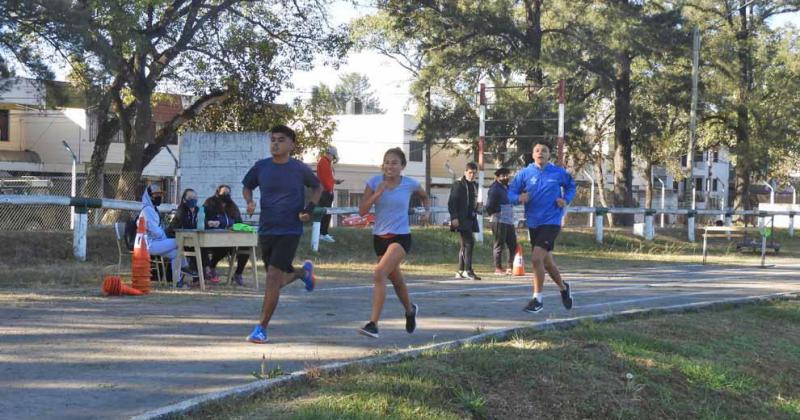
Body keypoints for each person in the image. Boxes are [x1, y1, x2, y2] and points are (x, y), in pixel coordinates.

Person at [243, 125, 321, 344]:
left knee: (271, 279)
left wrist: (309, 209)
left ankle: (261, 328)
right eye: (273, 140)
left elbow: (318, 187)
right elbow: (247, 186)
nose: (275, 143)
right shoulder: (261, 167)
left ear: (291, 144)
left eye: (281, 140)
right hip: (267, 229)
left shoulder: (299, 168)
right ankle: (302, 274)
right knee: (275, 280)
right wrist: (249, 201)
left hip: (290, 229)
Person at [357, 147, 429, 338]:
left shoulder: (410, 184)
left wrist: (426, 211)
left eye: (394, 162)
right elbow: (362, 211)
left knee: (379, 273)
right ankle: (410, 310)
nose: (390, 166)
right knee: (396, 280)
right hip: (379, 238)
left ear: (402, 166)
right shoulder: (373, 182)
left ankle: (373, 324)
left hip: (400, 237)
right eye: (387, 162)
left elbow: (424, 196)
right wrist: (376, 195)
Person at [507, 142, 576, 313]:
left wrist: (565, 199)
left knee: (536, 258)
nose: (540, 153)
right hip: (533, 222)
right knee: (547, 262)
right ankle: (563, 287)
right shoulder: (524, 173)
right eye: (537, 150)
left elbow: (571, 186)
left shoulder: (557, 172)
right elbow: (510, 192)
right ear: (532, 154)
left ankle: (537, 299)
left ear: (548, 155)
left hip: (552, 221)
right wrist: (518, 197)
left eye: (544, 151)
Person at [138, 184, 195, 283]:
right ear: (149, 196)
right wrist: (164, 236)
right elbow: (155, 230)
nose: (158, 197)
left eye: (160, 194)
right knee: (179, 241)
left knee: (176, 254)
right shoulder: (147, 210)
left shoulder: (153, 209)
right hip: (150, 244)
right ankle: (185, 267)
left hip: (157, 242)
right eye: (156, 195)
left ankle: (177, 282)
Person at [201, 184, 250, 286]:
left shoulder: (232, 206)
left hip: (231, 238)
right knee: (223, 246)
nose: (226, 195)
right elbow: (204, 219)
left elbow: (238, 222)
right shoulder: (210, 202)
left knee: (246, 246)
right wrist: (213, 223)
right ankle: (211, 266)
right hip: (213, 238)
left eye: (228, 193)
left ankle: (238, 273)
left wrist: (230, 224)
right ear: (218, 192)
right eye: (224, 193)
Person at [449, 162, 481, 280]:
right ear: (465, 172)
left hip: (470, 218)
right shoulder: (459, 185)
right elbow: (452, 202)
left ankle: (460, 270)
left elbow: (475, 202)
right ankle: (468, 270)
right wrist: (454, 217)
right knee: (469, 242)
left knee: (464, 245)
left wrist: (478, 209)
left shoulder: (475, 186)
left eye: (474, 173)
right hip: (460, 218)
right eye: (470, 172)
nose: (472, 175)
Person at [486, 168, 517, 275]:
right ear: (498, 177)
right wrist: (494, 213)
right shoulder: (494, 188)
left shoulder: (507, 188)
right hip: (498, 219)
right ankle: (498, 268)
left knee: (513, 244)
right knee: (499, 244)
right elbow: (489, 205)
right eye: (503, 176)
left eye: (507, 175)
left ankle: (510, 267)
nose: (505, 178)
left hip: (509, 218)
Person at [317, 146, 343, 243]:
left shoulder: (326, 163)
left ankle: (324, 232)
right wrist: (329, 189)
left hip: (327, 191)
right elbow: (324, 180)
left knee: (326, 213)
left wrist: (336, 181)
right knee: (325, 213)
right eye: (333, 156)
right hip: (325, 192)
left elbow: (328, 178)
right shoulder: (324, 162)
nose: (333, 158)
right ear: (330, 154)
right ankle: (323, 234)